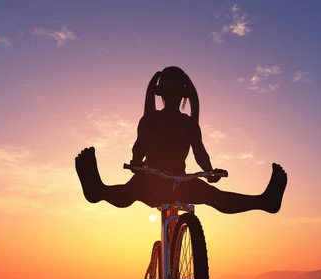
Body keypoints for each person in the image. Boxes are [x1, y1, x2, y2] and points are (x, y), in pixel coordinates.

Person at [75, 66, 287, 214]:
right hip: (163, 181)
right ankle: (97, 190)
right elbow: (197, 152)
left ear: (161, 94)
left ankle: (265, 201)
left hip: (165, 182)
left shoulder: (160, 120)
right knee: (217, 199)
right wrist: (208, 171)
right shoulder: (165, 120)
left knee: (126, 194)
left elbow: (141, 149)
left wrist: (209, 171)